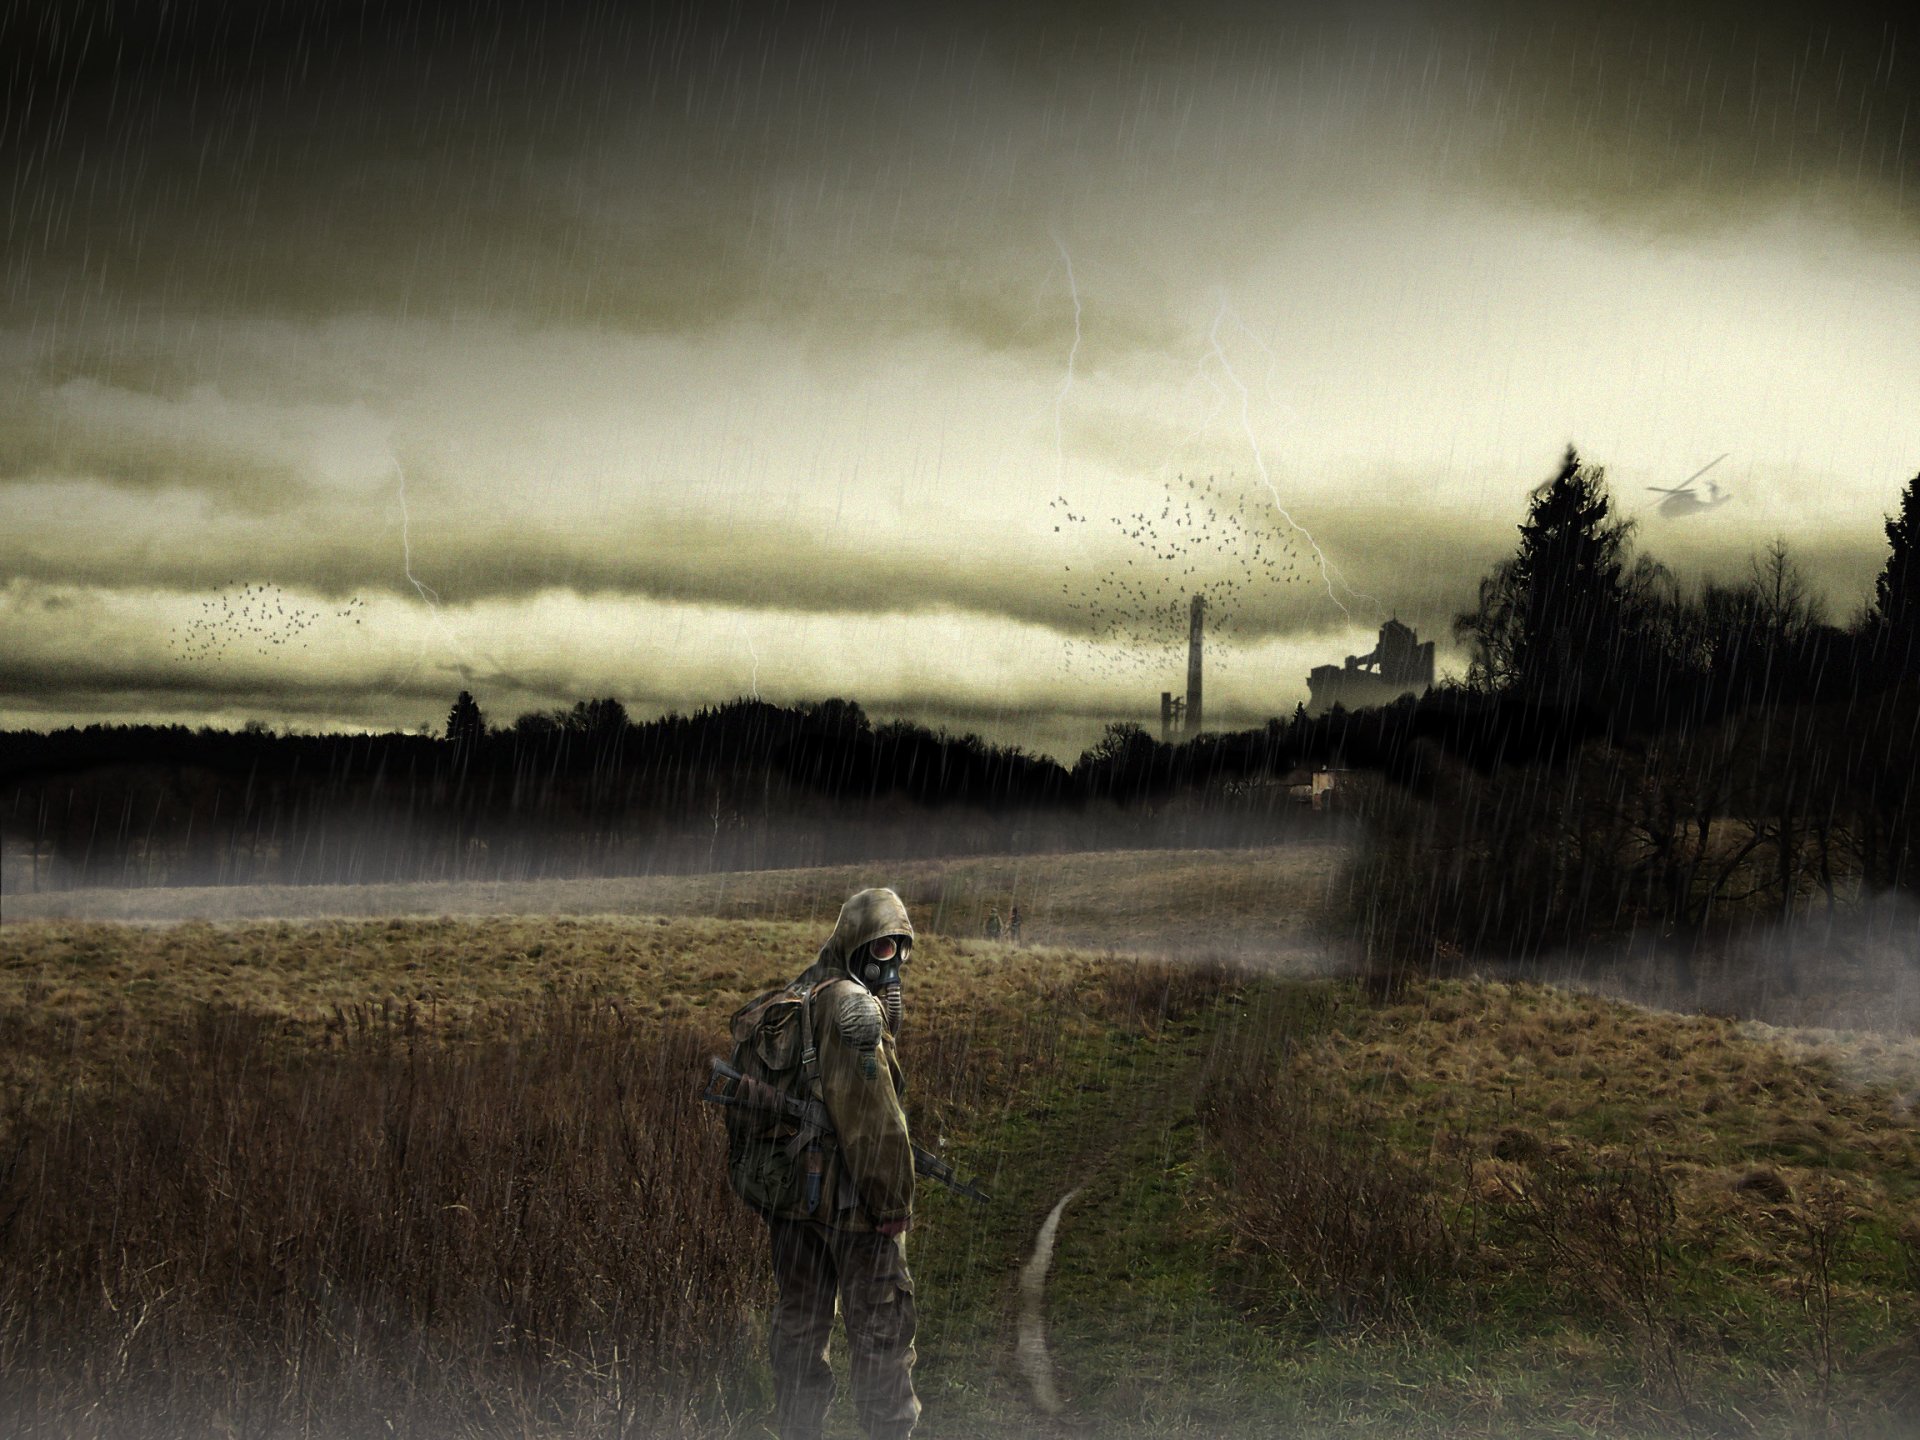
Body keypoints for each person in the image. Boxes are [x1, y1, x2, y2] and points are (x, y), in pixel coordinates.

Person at [760, 888, 920, 1440]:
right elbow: (876, 1124)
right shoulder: (851, 1005)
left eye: (901, 948)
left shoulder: (803, 989)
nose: (893, 962)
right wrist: (893, 1206)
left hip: (792, 1208)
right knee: (881, 1336)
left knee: (801, 1331)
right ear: (854, 945)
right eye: (881, 949)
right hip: (854, 1209)